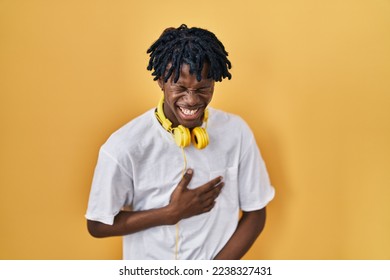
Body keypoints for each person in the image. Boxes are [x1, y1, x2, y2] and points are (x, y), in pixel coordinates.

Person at [85, 24, 275, 260]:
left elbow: (256, 212)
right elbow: (98, 224)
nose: (192, 100)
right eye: (181, 87)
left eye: (203, 88)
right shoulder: (124, 146)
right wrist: (170, 213)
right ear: (161, 81)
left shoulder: (237, 132)